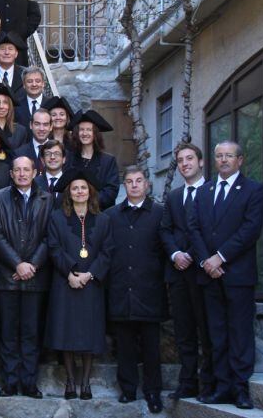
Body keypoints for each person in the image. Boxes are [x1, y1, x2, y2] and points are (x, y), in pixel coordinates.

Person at [188, 141, 263, 410]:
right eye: (219, 156)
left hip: (237, 274)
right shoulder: (205, 190)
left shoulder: (254, 190)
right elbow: (194, 228)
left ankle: (240, 388)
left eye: (229, 156)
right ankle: (221, 387)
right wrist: (206, 261)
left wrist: (219, 257)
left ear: (240, 160)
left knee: (240, 333)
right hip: (209, 275)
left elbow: (250, 230)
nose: (223, 160)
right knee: (216, 333)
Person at [44, 168, 113, 401]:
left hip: (91, 284)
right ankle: (70, 381)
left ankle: (85, 382)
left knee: (89, 334)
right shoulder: (57, 218)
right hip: (65, 283)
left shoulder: (103, 220)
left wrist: (89, 274)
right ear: (68, 192)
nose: (79, 191)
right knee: (67, 332)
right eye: (75, 188)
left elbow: (107, 252)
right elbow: (54, 248)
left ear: (90, 192)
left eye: (83, 188)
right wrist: (71, 273)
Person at [0, 156, 53, 398]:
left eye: (27, 170)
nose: (23, 174)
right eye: (18, 170)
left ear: (35, 172)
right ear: (12, 174)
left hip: (35, 277)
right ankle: (10, 382)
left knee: (31, 332)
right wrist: (17, 264)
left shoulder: (47, 199)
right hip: (7, 277)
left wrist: (32, 265)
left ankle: (29, 382)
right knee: (8, 332)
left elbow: (50, 235)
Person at [105, 166, 167, 413]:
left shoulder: (160, 214)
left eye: (138, 181)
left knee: (152, 347)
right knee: (125, 345)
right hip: (121, 289)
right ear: (124, 186)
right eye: (129, 181)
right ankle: (128, 390)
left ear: (147, 185)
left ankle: (153, 392)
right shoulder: (112, 215)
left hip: (149, 290)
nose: (134, 185)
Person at [160, 142, 214, 401]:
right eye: (180, 160)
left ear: (201, 162)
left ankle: (209, 382)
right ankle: (187, 381)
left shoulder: (213, 191)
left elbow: (212, 230)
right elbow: (165, 229)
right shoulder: (173, 196)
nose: (185, 164)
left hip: (203, 272)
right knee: (183, 331)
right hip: (178, 273)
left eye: (189, 159)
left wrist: (193, 254)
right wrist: (175, 254)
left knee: (207, 329)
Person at [65, 109, 120, 210]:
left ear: (95, 134)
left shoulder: (108, 161)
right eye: (81, 129)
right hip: (73, 212)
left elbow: (111, 191)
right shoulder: (69, 158)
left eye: (89, 130)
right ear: (77, 133)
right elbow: (64, 186)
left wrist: (87, 202)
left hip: (100, 214)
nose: (85, 133)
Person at [13, 108, 52, 173]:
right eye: (37, 124)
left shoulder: (61, 153)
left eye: (45, 124)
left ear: (51, 127)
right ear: (31, 125)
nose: (41, 129)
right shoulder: (19, 153)